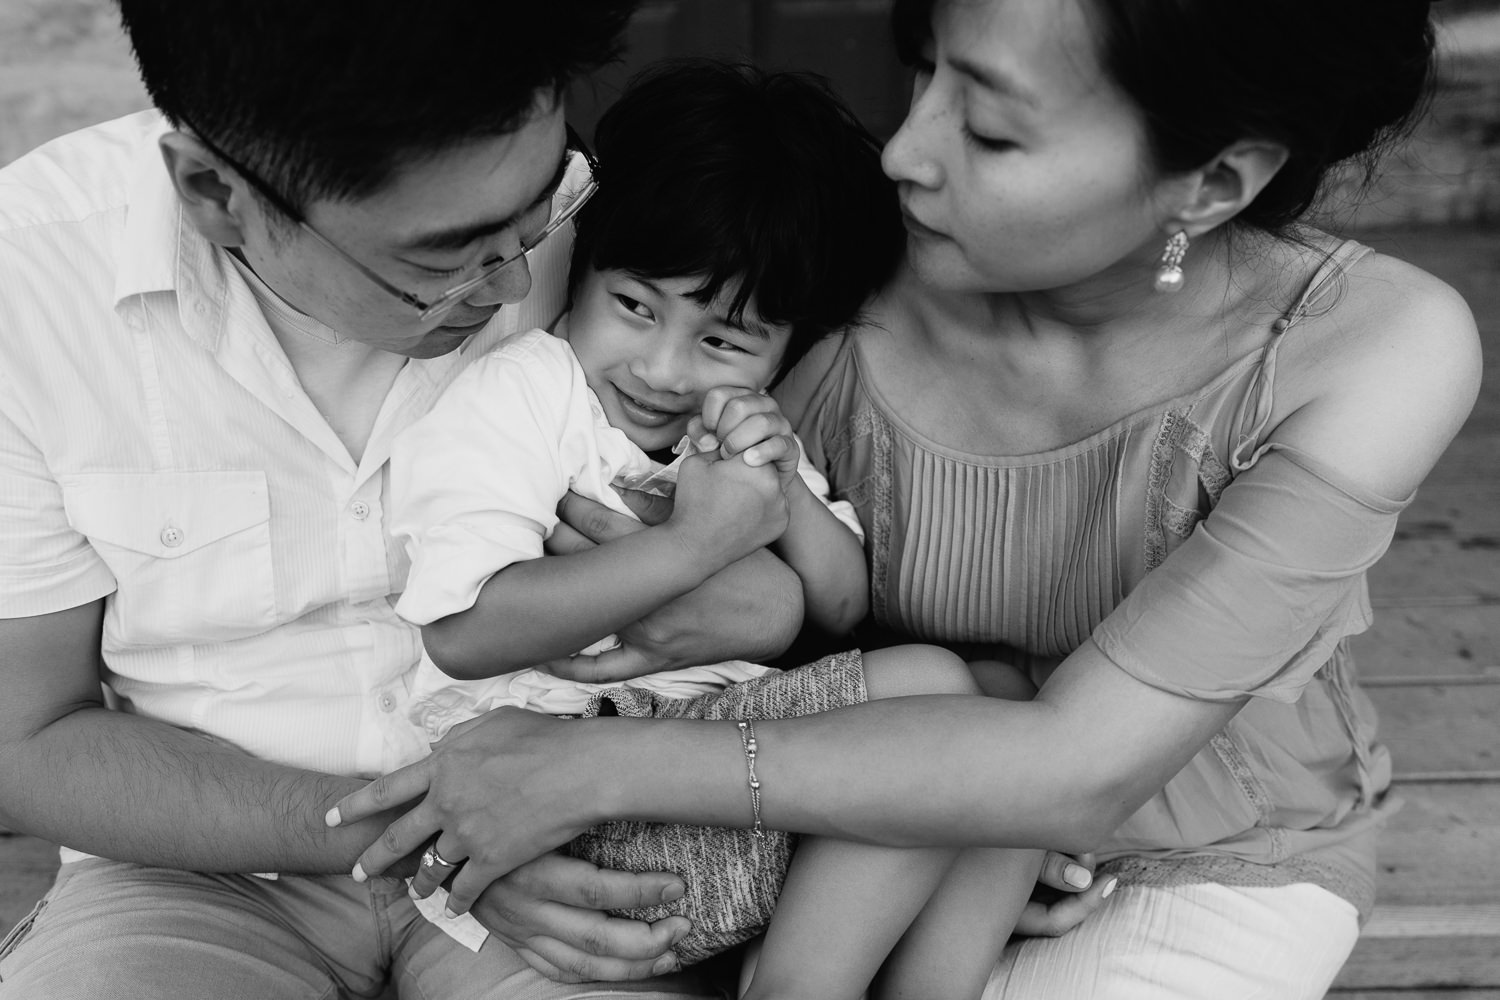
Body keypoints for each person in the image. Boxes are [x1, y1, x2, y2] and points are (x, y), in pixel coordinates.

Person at [329, 0, 1484, 996]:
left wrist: (575, 773)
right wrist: (736, 624)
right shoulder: (822, 265)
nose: (905, 152)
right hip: (832, 826)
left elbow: (1078, 766)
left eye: (987, 125)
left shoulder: (1363, 348)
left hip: (1197, 851)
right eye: (923, 71)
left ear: (1216, 179)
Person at [0, 2, 824, 996]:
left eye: (538, 209)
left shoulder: (608, 227)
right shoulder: (37, 284)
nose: (516, 277)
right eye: (448, 254)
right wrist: (440, 832)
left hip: (575, 837)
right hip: (203, 869)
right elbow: (29, 742)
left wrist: (763, 598)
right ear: (216, 193)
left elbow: (757, 563)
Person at [383, 61, 1041, 1000]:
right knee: (940, 698)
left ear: (786, 347)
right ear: (584, 271)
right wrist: (689, 547)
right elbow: (462, 632)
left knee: (1009, 720)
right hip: (563, 806)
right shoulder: (530, 395)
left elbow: (844, 604)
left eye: (723, 341)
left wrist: (786, 493)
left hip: (722, 780)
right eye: (634, 307)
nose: (662, 366)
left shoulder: (745, 426)